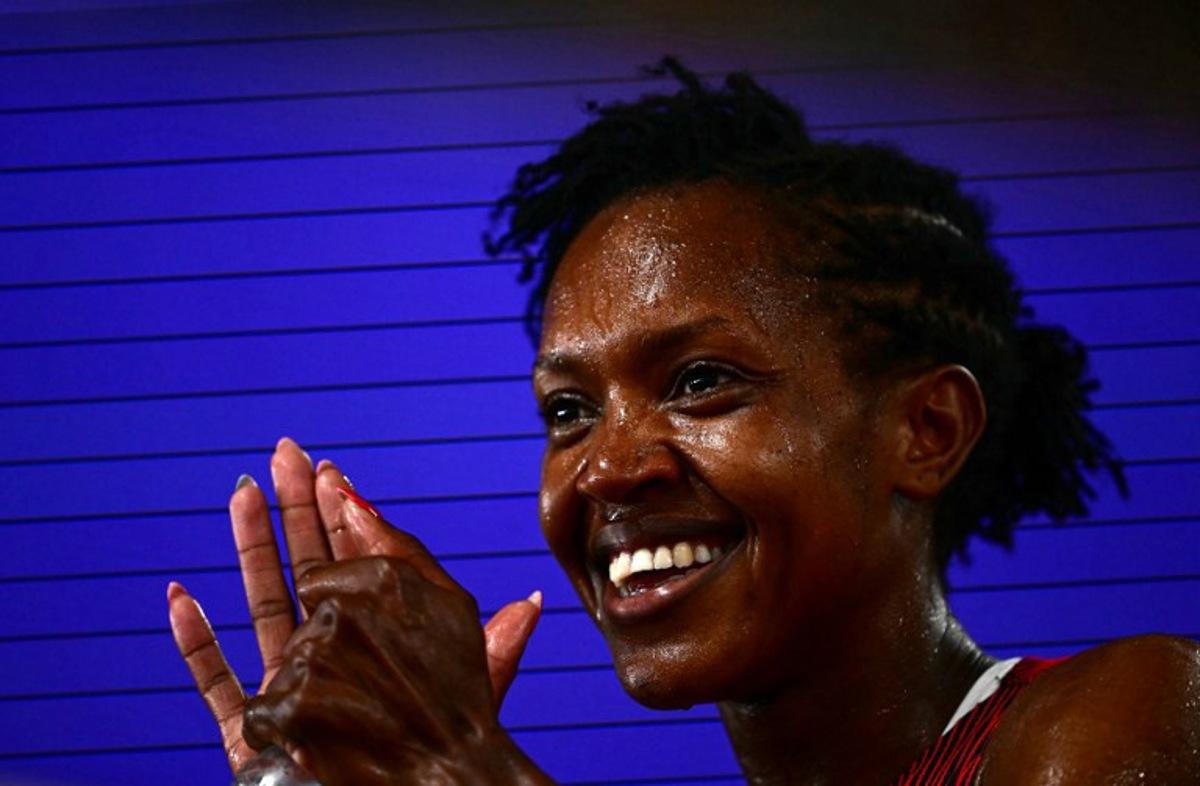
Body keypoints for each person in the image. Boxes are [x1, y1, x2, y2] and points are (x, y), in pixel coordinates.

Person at [167, 59, 1200, 784]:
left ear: (925, 430)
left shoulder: (1126, 717)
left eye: (700, 381)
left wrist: (457, 768)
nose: (607, 466)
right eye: (568, 410)